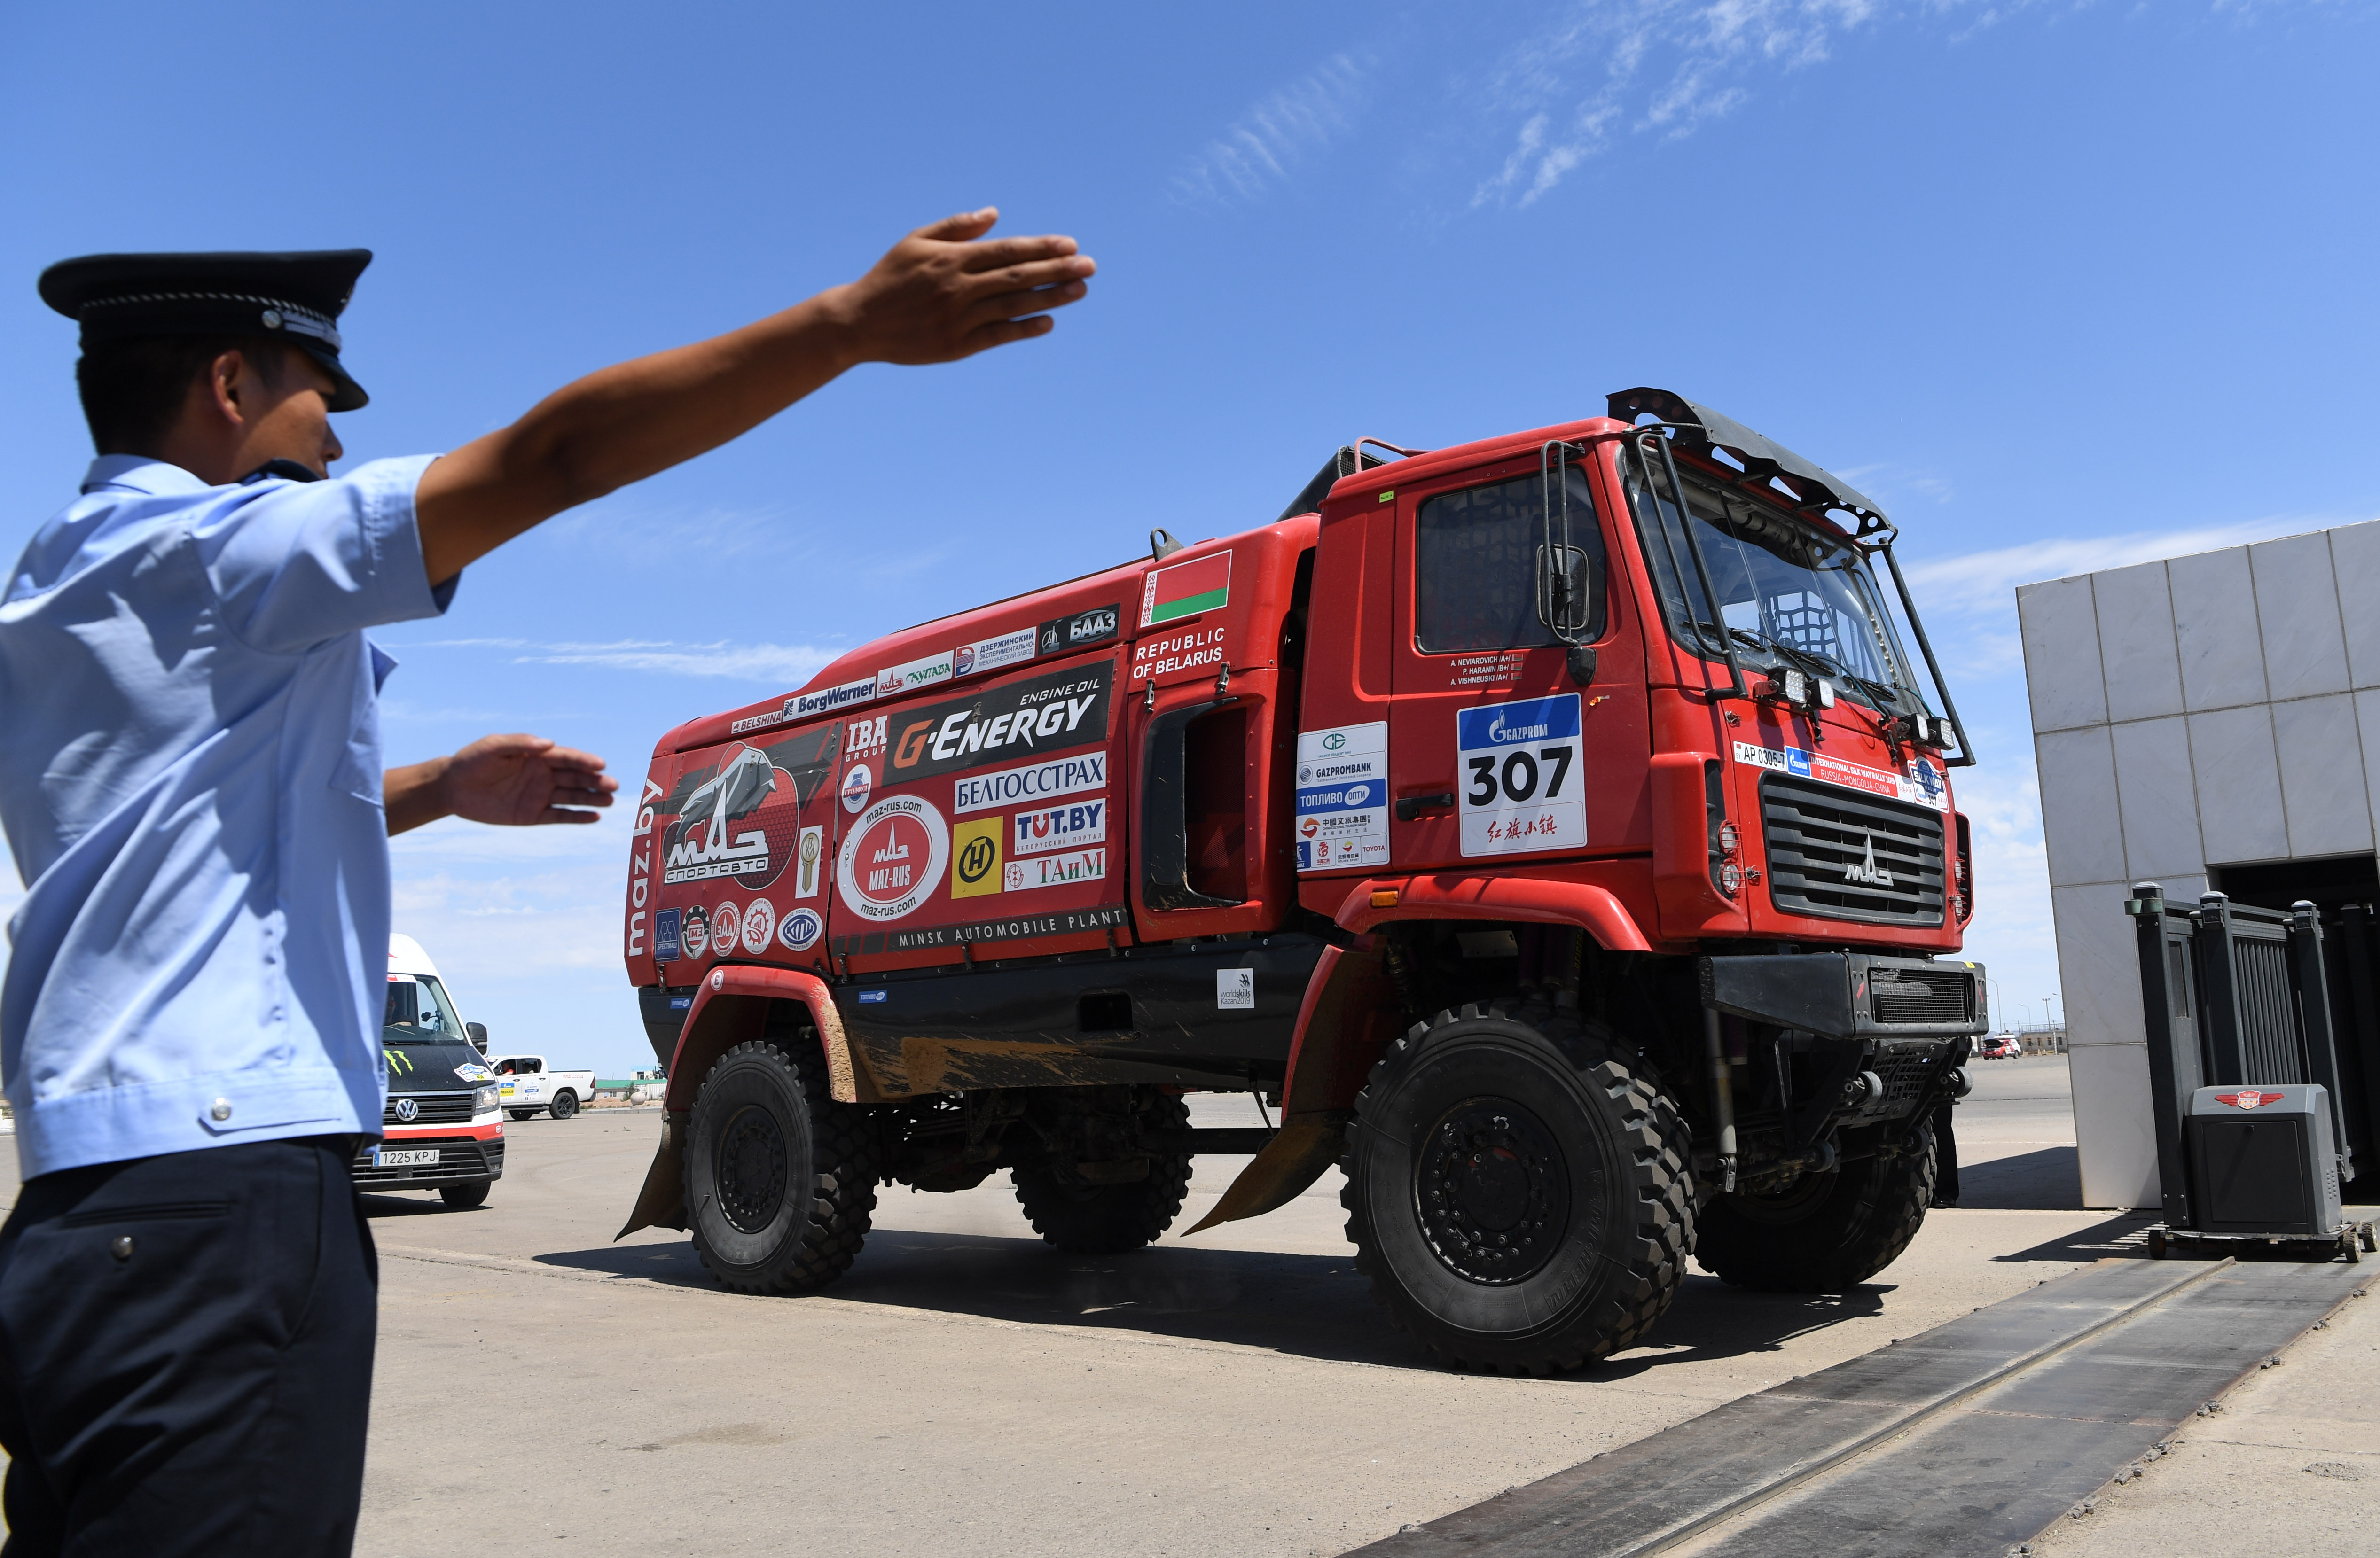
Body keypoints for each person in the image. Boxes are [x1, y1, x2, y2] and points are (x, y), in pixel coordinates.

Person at [0, 211, 1093, 1554]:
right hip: (220, 1213)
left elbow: (174, 820)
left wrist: (437, 787)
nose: (333, 441)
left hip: (78, 1218)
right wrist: (847, 327)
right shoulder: (229, 555)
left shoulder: (57, 579)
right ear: (229, 386)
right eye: (311, 402)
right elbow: (554, 458)